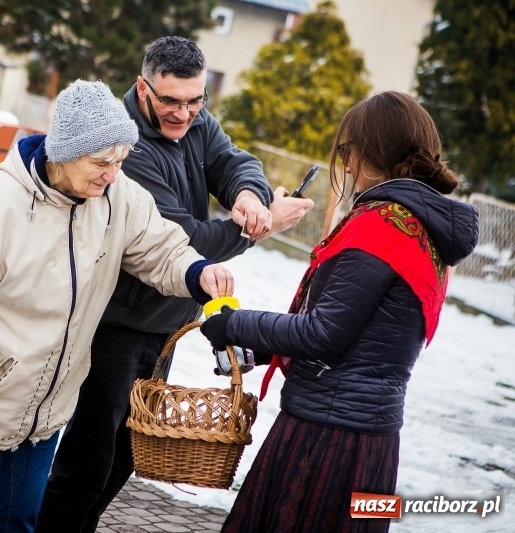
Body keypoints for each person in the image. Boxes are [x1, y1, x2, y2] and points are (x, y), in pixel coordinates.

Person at [0, 79, 235, 533]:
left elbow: (160, 247)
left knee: (21, 518)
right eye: (101, 162)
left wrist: (197, 272)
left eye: (120, 161)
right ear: (63, 152)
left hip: (49, 401)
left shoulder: (117, 197)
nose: (112, 173)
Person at [36, 36, 314, 532]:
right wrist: (262, 223)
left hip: (163, 326)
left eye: (195, 101)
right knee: (89, 457)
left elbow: (233, 160)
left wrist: (248, 196)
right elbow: (188, 238)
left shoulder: (194, 119)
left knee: (126, 453)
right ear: (144, 88)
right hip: (116, 325)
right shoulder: (127, 147)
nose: (184, 114)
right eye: (170, 101)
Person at [199, 91, 479, 532]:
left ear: (369, 153)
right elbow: (365, 335)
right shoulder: (421, 229)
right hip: (374, 440)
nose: (346, 165)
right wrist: (265, 349)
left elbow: (324, 333)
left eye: (348, 151)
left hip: (327, 436)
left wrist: (234, 323)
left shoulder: (381, 226)